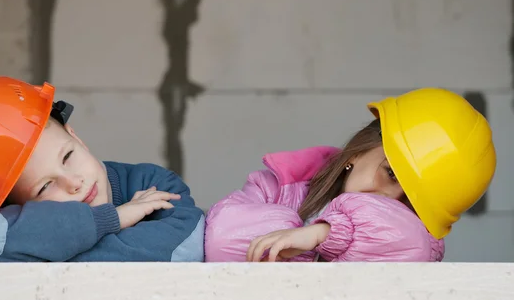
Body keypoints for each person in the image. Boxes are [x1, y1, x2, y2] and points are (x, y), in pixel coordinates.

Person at [0, 76, 205, 262]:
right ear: (16, 206)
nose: (73, 182)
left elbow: (187, 245)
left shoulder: (150, 182)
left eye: (68, 155)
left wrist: (53, 255)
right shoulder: (5, 225)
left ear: (75, 136)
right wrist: (112, 219)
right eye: (45, 187)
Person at [204, 88, 496, 262]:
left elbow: (414, 245)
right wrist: (296, 239)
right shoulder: (278, 187)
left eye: (409, 202)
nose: (388, 198)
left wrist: (327, 234)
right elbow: (221, 240)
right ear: (359, 151)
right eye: (391, 174)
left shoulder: (410, 241)